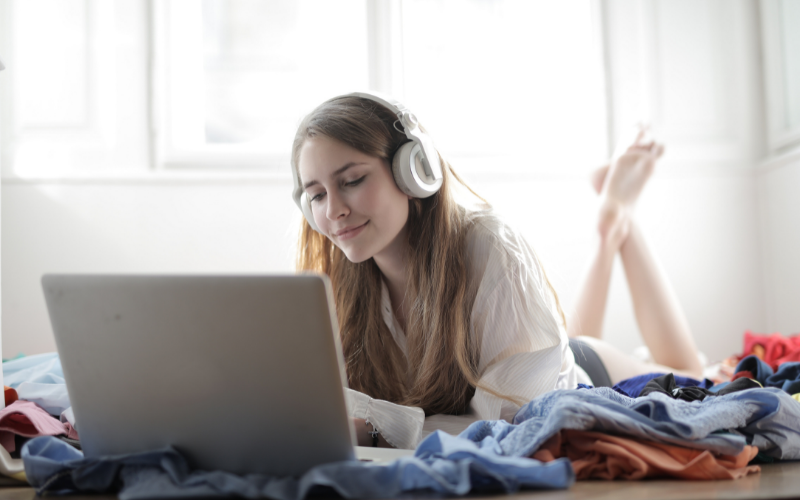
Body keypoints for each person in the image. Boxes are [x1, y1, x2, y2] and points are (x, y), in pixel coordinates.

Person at [289, 92, 703, 448]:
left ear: (414, 170)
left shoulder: (490, 247)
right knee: (570, 333)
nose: (334, 211)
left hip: (572, 379)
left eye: (353, 180)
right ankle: (610, 225)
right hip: (535, 352)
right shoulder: (338, 276)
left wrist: (379, 432)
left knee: (693, 373)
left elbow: (515, 423)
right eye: (317, 195)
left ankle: (612, 221)